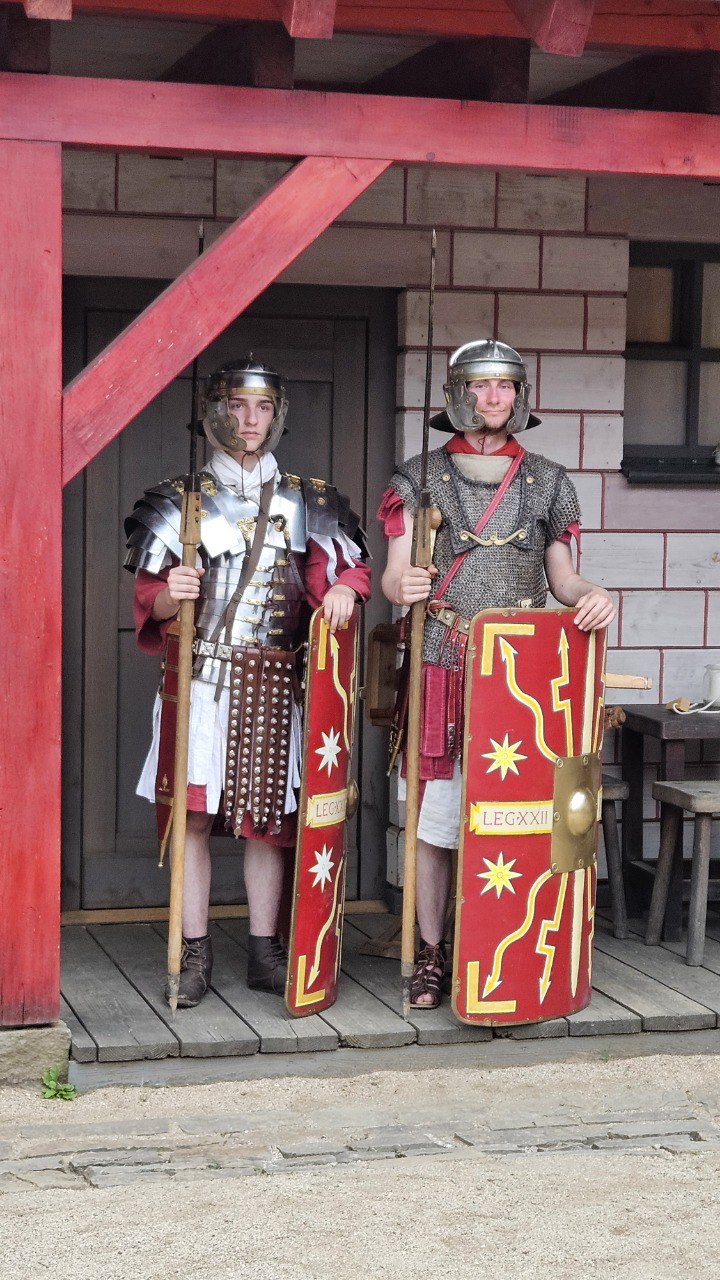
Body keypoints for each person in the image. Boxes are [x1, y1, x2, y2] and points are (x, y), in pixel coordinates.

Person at [125, 357, 370, 1007]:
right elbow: (149, 599)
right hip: (202, 682)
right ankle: (194, 952)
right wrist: (174, 594)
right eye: (237, 406)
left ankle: (265, 951)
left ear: (277, 415)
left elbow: (346, 573)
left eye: (261, 407)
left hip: (273, 683)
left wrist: (344, 590)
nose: (249, 420)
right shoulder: (178, 502)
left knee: (268, 824)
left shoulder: (310, 501)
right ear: (215, 413)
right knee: (193, 818)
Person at [378, 340, 616, 1010]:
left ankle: (506, 947)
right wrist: (404, 585)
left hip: (521, 681)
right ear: (459, 394)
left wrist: (594, 595)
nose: (492, 398)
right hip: (445, 661)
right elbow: (394, 575)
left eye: (504, 386)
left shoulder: (549, 481)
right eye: (479, 386)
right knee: (437, 821)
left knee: (518, 816)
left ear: (520, 396)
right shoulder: (417, 477)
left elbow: (563, 579)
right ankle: (432, 952)